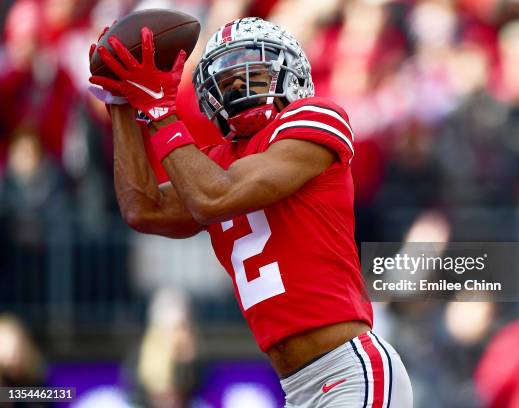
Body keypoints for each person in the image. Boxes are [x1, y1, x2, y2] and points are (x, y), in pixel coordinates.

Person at [89, 16, 412, 407]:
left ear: (289, 74)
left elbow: (216, 197)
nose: (238, 87)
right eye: (226, 82)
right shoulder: (217, 163)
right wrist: (122, 104)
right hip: (297, 386)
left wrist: (160, 112)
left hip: (348, 370)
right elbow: (142, 208)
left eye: (252, 75)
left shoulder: (314, 118)